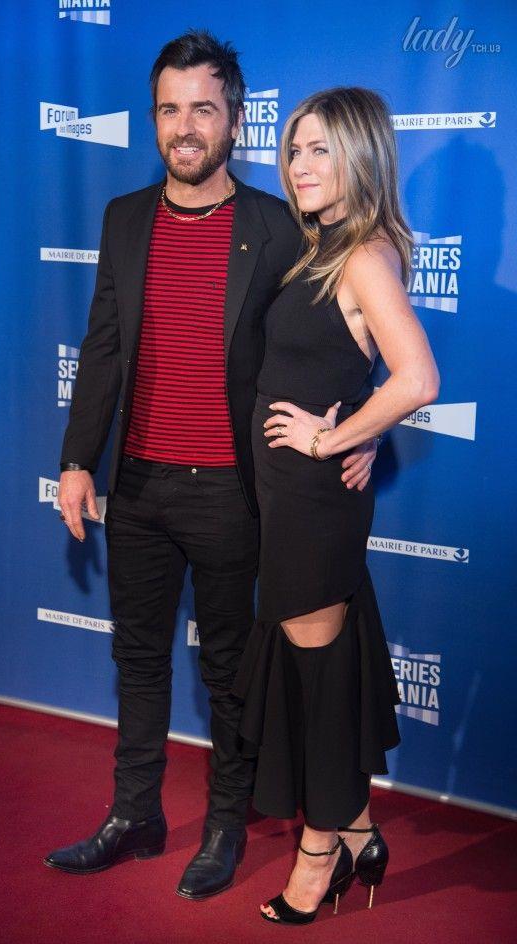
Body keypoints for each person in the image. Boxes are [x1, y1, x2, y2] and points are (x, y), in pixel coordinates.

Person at [43, 33, 378, 901]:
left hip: (234, 489)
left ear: (234, 119)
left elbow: (339, 335)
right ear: (153, 121)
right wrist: (78, 461)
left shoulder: (279, 227)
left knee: (230, 670)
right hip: (138, 485)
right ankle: (135, 814)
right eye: (168, 109)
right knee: (138, 658)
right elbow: (102, 348)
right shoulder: (124, 219)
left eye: (202, 108)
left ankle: (227, 826)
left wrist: (364, 429)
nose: (184, 126)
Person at [231, 86, 440, 924]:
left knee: (315, 687)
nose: (299, 164)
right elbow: (353, 366)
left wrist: (334, 439)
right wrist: (362, 427)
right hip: (293, 501)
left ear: (361, 155)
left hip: (313, 503)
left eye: (320, 148)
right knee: (315, 672)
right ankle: (358, 831)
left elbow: (417, 378)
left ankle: (318, 859)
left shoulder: (361, 257)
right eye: (294, 148)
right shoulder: (333, 243)